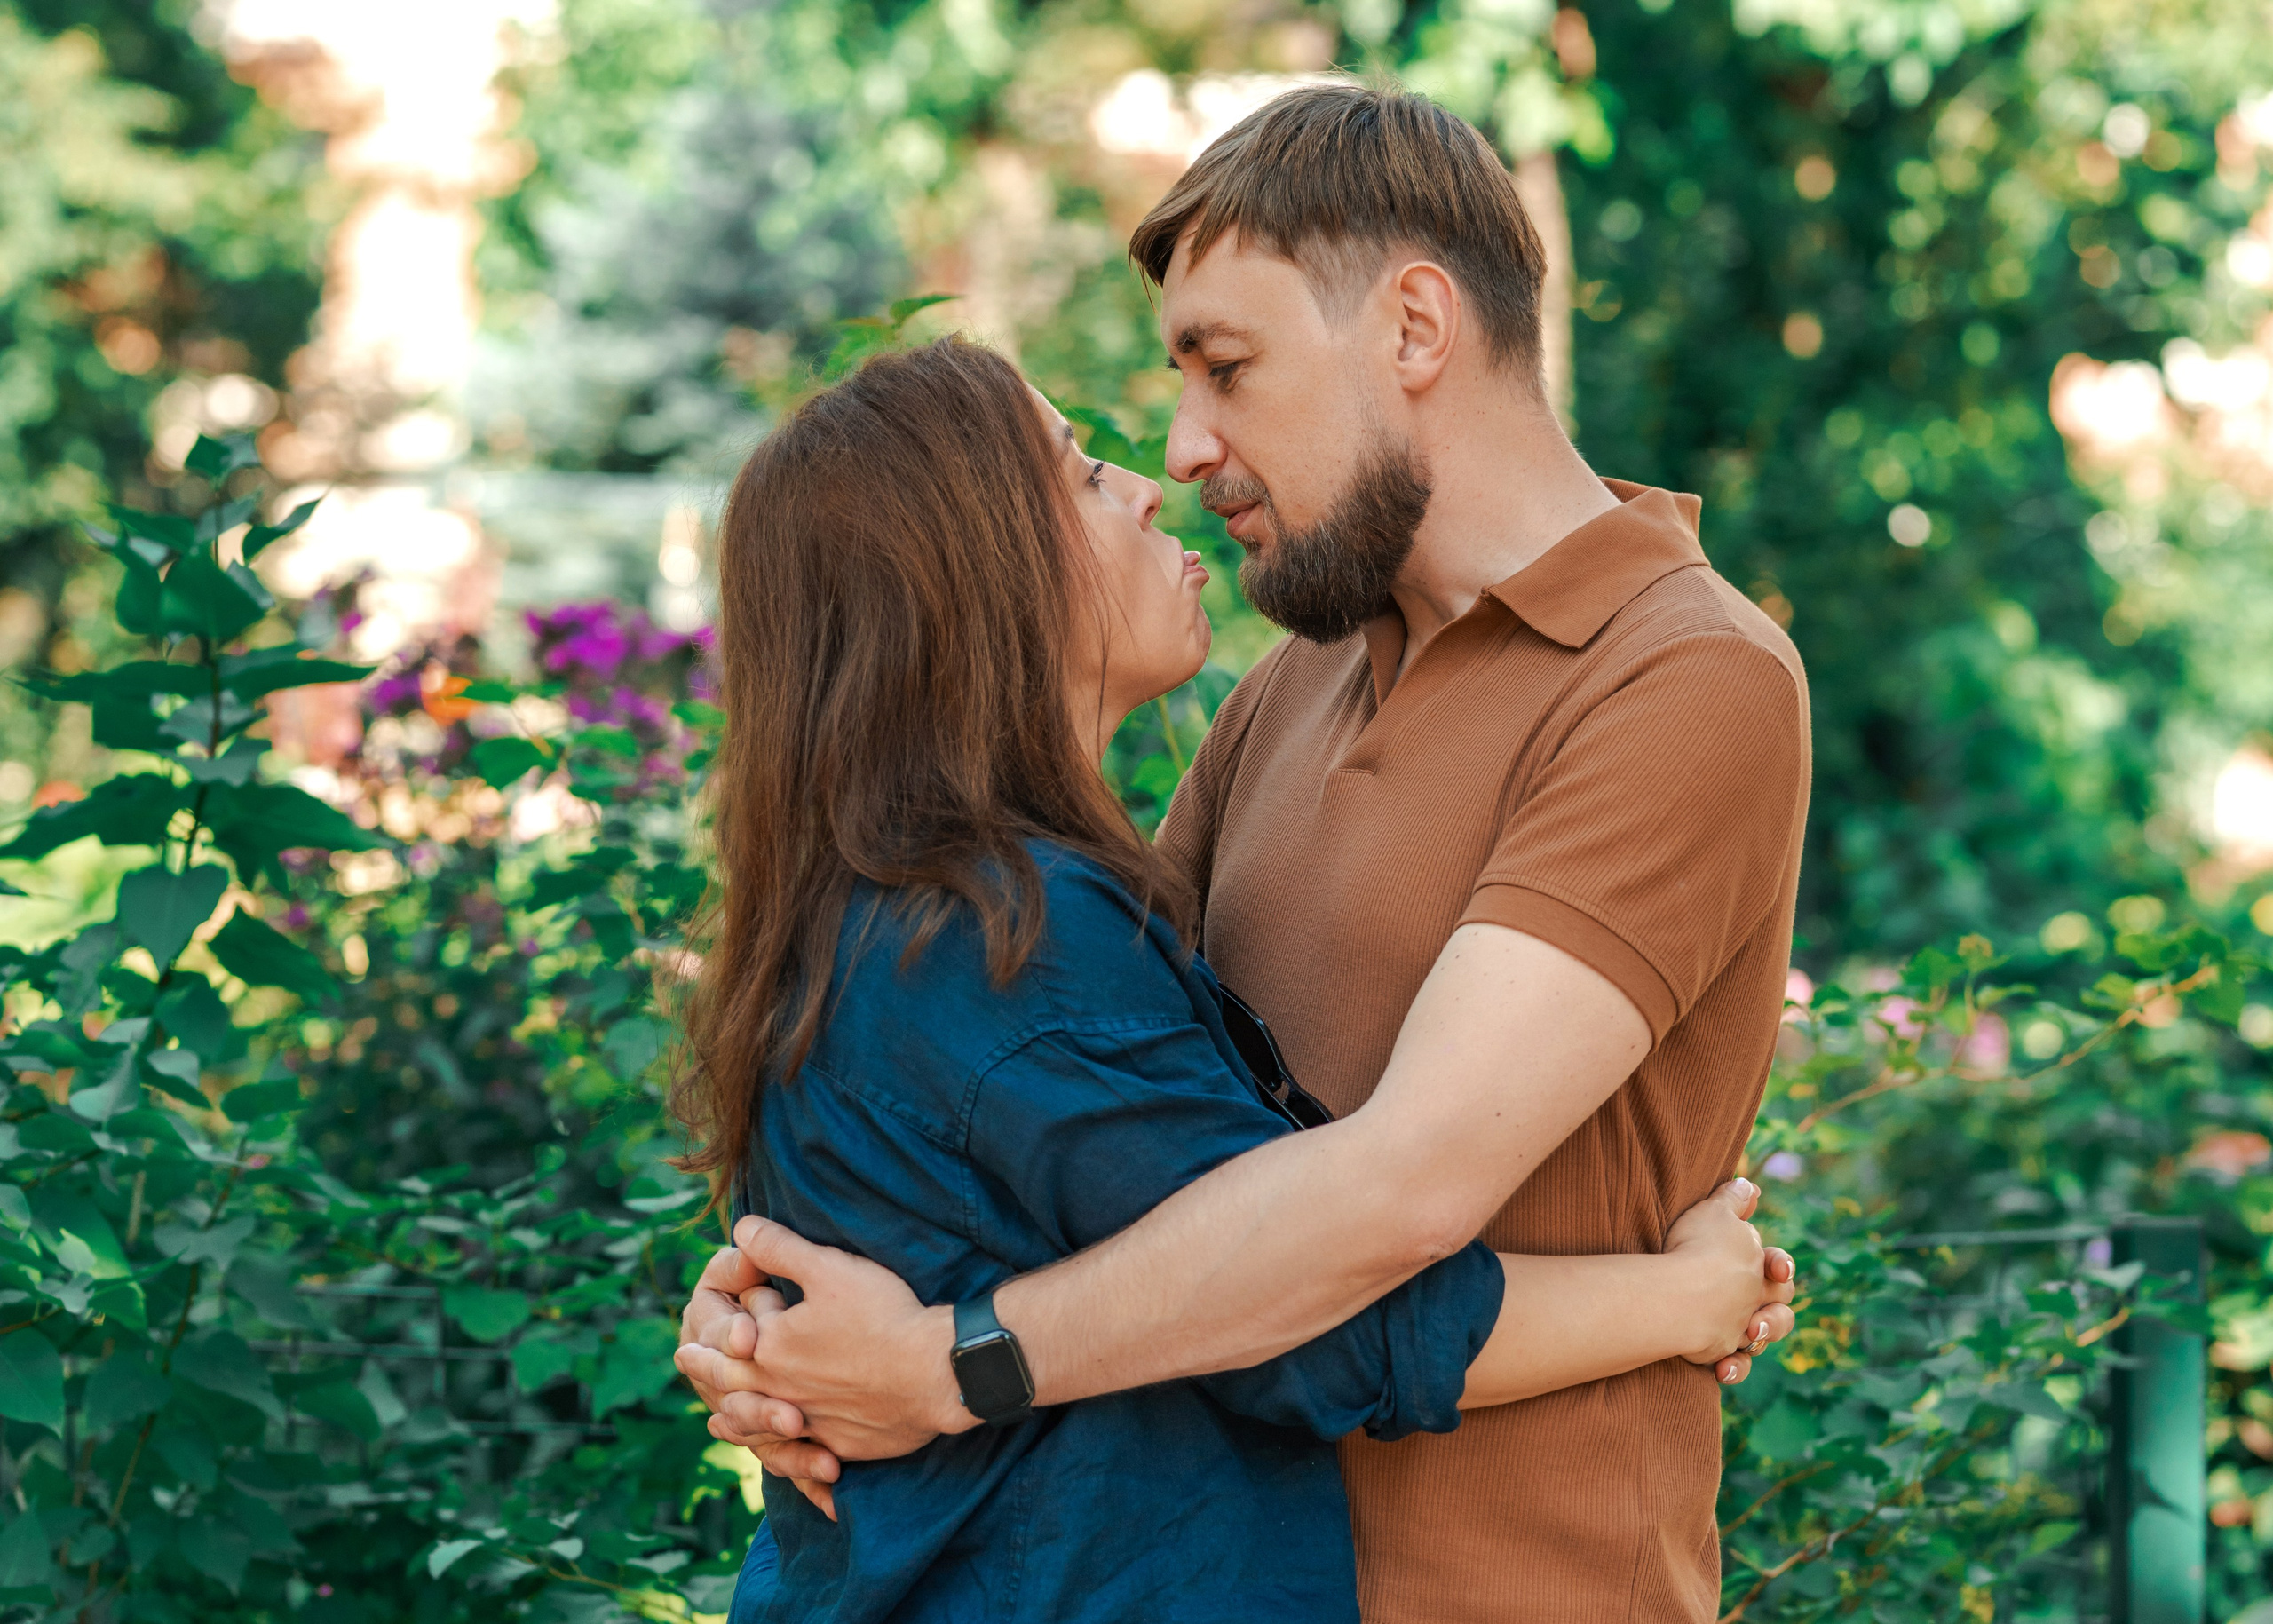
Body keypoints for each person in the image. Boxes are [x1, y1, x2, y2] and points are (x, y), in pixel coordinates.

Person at [680, 83, 1815, 1623]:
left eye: (1227, 366)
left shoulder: (1684, 676)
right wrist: (791, 1306)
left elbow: (1399, 1188)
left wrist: (948, 1367)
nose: (1184, 445)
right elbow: (1055, 1113)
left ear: (1416, 327)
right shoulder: (1292, 687)